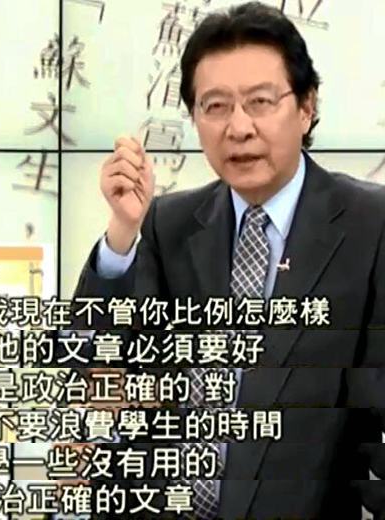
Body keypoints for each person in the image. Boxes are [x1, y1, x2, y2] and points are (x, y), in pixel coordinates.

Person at [73, 2, 385, 518]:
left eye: (260, 102)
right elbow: (94, 359)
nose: (238, 128)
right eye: (214, 106)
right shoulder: (170, 223)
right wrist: (122, 235)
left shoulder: (369, 225)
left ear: (305, 106)